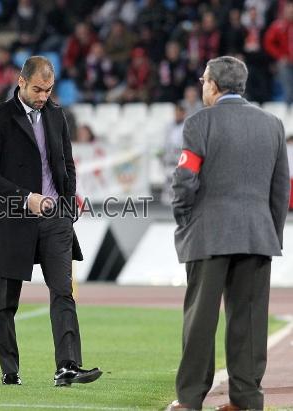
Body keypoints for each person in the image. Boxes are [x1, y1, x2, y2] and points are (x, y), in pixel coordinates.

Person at [167, 56, 289, 411]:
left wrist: (185, 220)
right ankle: (247, 400)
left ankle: (190, 400)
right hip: (257, 236)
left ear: (214, 85)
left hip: (209, 235)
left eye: (204, 80)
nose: (203, 85)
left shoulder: (199, 123)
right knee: (249, 323)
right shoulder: (273, 125)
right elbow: (280, 189)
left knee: (200, 323)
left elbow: (184, 180)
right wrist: (270, 233)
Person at [0, 56, 102, 387]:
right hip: (13, 218)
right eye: (37, 89)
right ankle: (9, 369)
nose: (43, 96)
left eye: (48, 90)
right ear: (21, 81)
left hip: (55, 219)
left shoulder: (57, 115)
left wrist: (68, 201)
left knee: (63, 292)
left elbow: (66, 163)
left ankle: (68, 367)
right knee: (4, 301)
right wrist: (24, 197)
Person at [264, 0, 293, 104]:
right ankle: (288, 105)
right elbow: (268, 43)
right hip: (285, 61)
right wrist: (279, 56)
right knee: (286, 82)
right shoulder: (278, 26)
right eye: (289, 10)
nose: (290, 13)